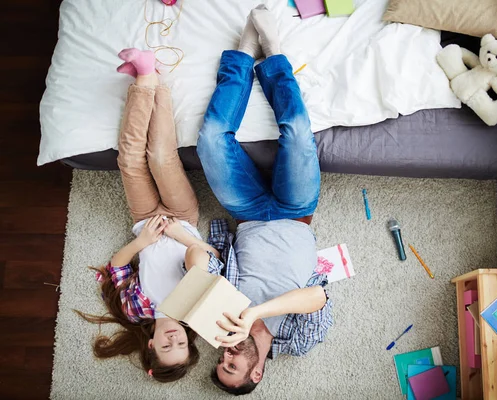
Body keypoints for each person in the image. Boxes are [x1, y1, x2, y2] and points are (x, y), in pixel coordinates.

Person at [196, 6, 333, 395]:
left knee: (210, 140)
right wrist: (256, 313)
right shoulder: (298, 341)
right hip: (296, 212)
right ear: (256, 374)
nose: (226, 355)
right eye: (232, 366)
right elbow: (318, 296)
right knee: (297, 133)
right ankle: (273, 53)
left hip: (247, 213)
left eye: (220, 362)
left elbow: (204, 265)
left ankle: (242, 55)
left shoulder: (218, 324)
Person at [77, 48, 223, 383]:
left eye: (167, 346)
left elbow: (116, 267)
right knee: (159, 157)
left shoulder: (135, 311)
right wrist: (179, 235)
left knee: (128, 160)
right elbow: (204, 255)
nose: (174, 338)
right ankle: (152, 78)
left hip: (143, 220)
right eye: (181, 342)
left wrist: (143, 240)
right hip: (181, 218)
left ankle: (145, 77)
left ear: (152, 344)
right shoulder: (195, 307)